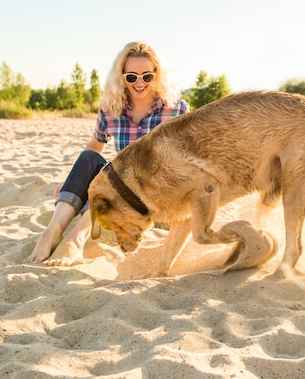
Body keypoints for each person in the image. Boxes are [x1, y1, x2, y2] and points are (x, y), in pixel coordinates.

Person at [27, 42, 189, 266]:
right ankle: (53, 231)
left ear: (157, 75)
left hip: (159, 195)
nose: (139, 83)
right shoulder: (110, 108)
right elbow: (96, 145)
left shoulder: (177, 109)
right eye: (132, 77)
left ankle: (75, 240)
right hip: (121, 188)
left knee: (123, 171)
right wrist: (70, 181)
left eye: (147, 76)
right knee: (90, 159)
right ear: (122, 76)